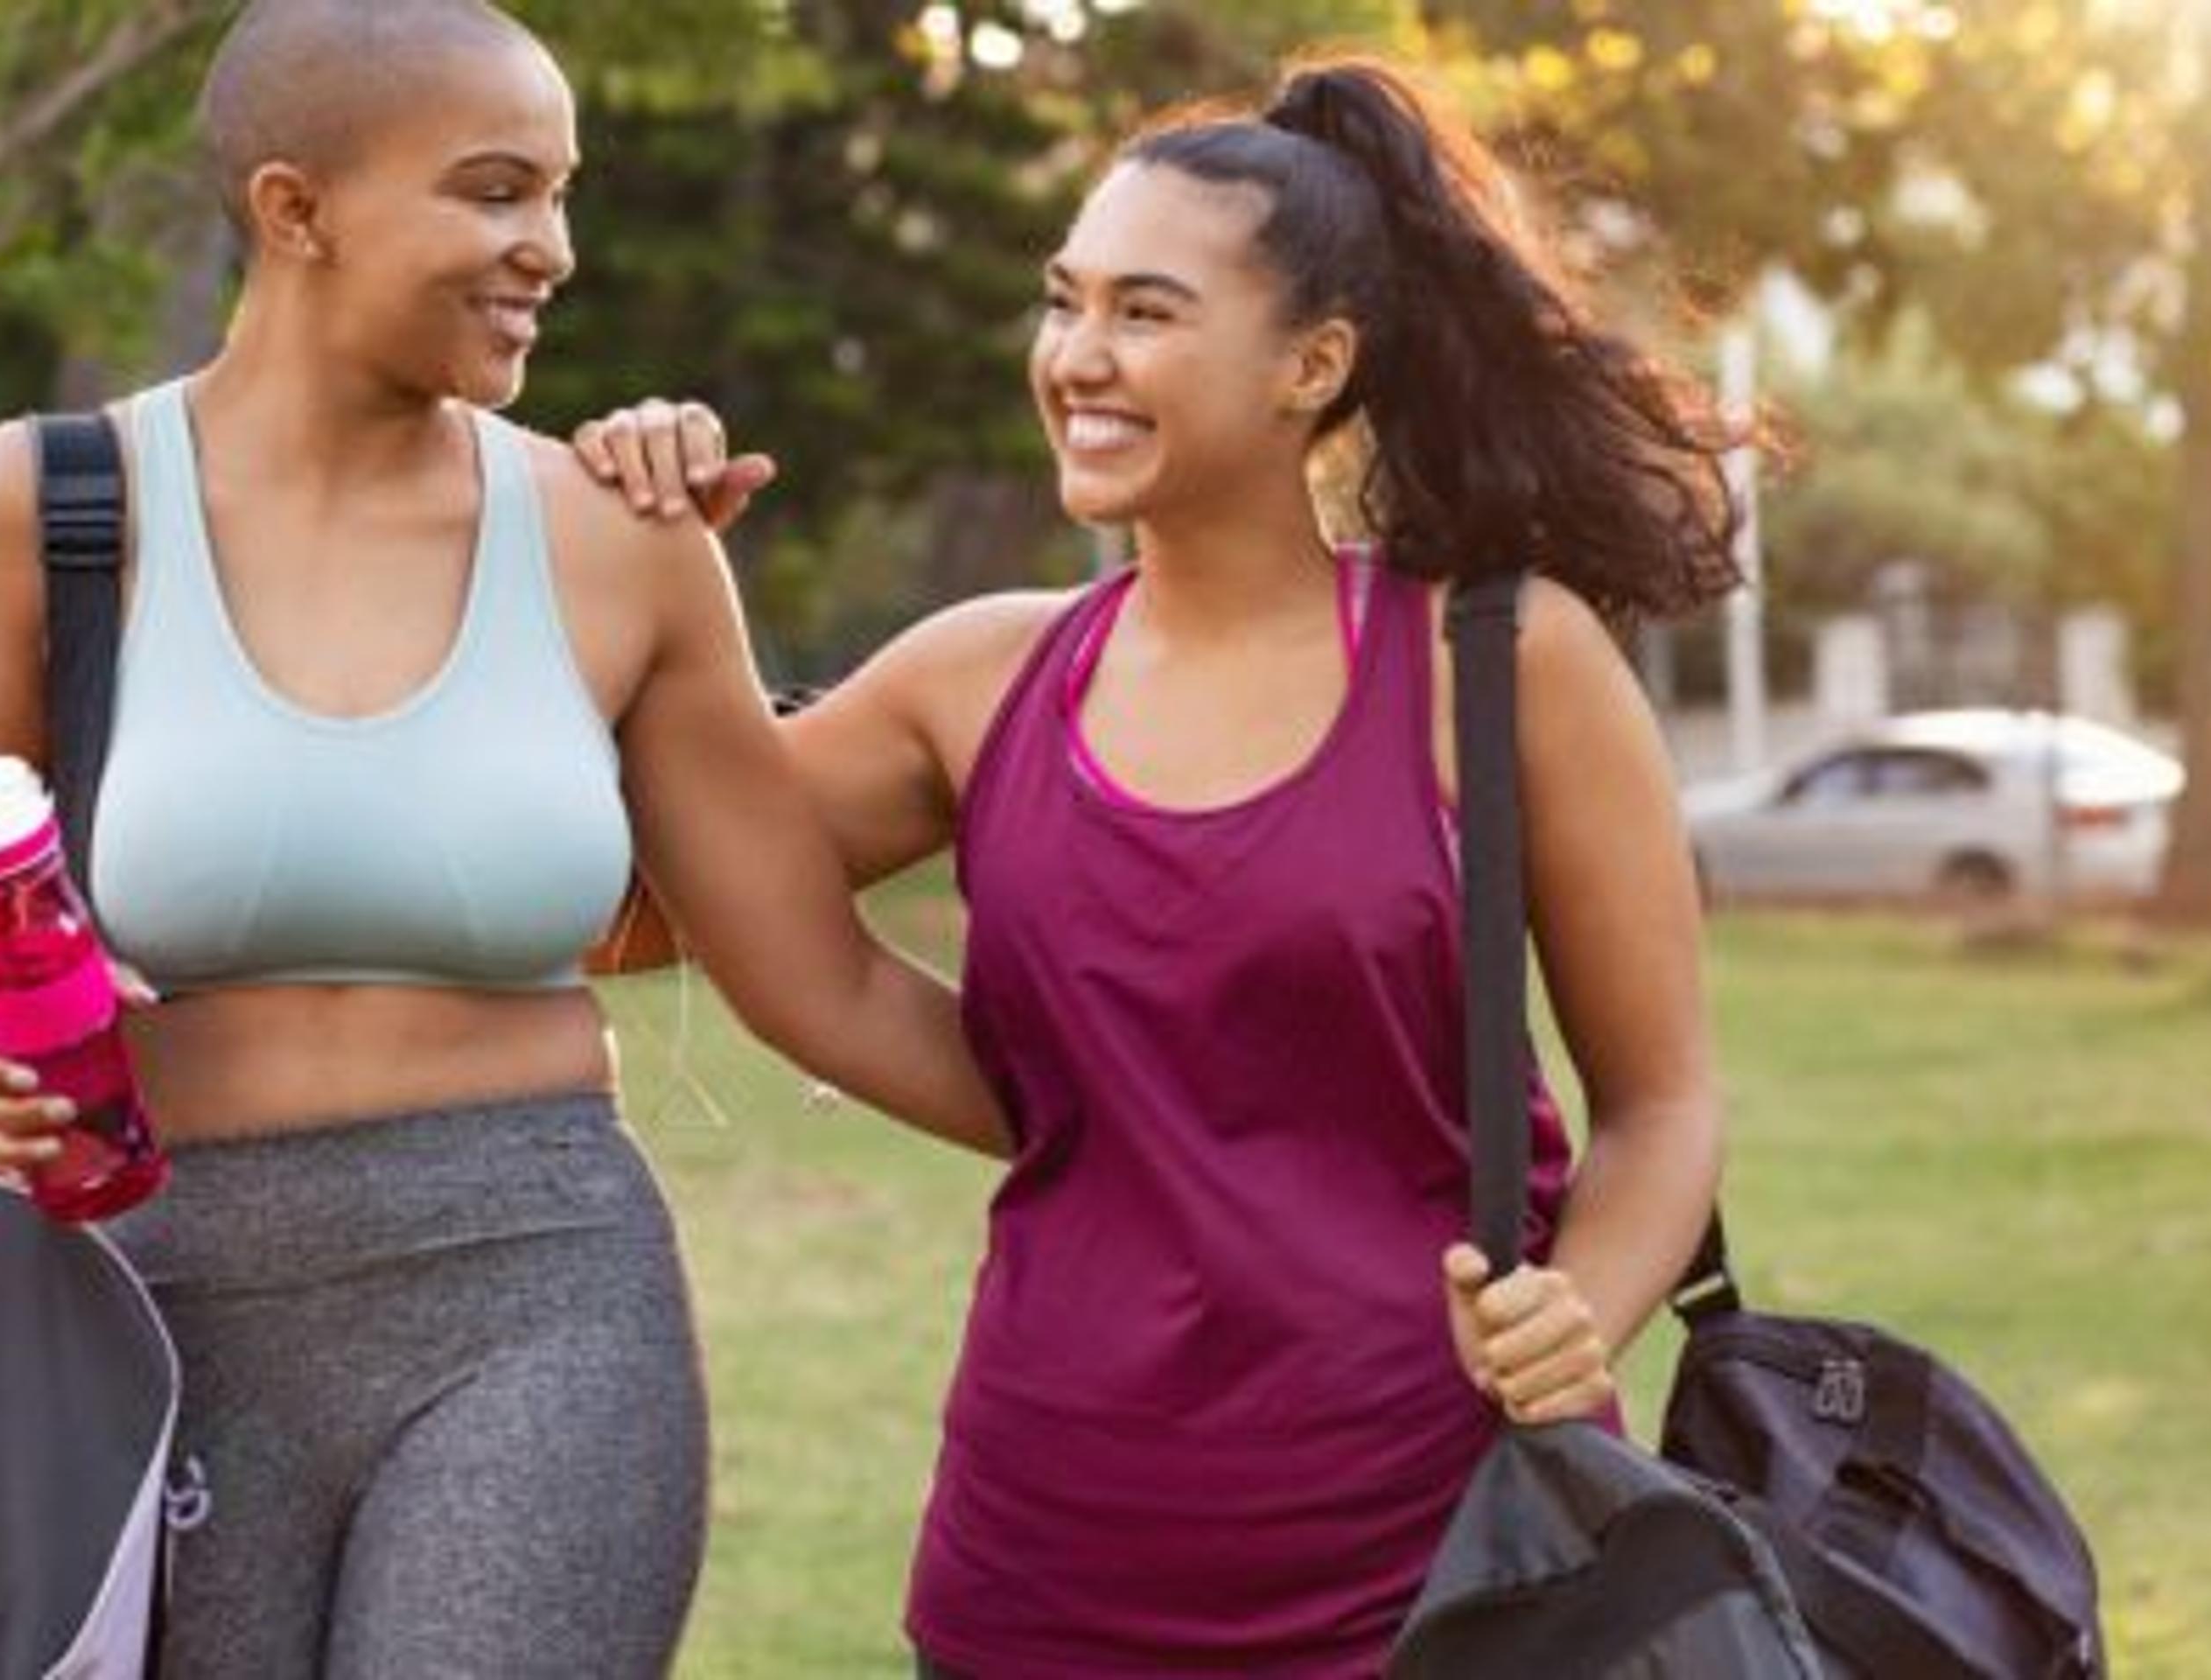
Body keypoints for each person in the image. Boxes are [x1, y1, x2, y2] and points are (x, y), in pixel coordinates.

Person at [0, 3, 1004, 1675]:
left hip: (537, 1300)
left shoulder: (622, 537)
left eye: (558, 195)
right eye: (491, 193)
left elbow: (812, 972)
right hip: (147, 1310)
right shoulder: (47, 507)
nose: (546, 247)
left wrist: (1167, 1133)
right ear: (294, 206)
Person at [580, 56, 1738, 1676]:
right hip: (1048, 1561)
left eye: (1145, 311)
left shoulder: (1504, 661)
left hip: (1454, 1559)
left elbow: (1665, 1102)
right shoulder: (974, 680)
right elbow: (636, 909)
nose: (1077, 358)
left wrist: (1583, 1308)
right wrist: (650, 573)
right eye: (1065, 303)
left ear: (1311, 364)